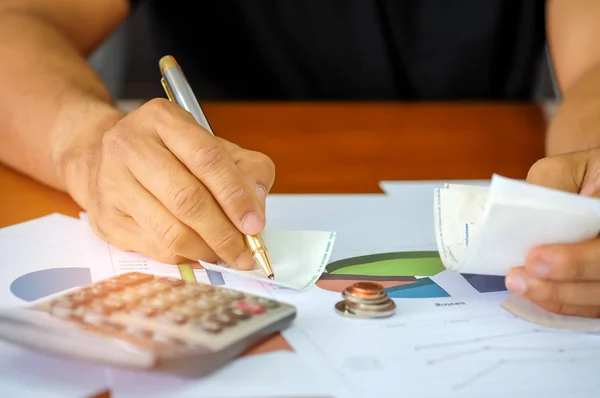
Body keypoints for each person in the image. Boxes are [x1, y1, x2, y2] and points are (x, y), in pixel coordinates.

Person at [0, 0, 599, 318]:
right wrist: (84, 147)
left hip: (486, 157)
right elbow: (17, 21)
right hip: (216, 173)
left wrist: (592, 166)